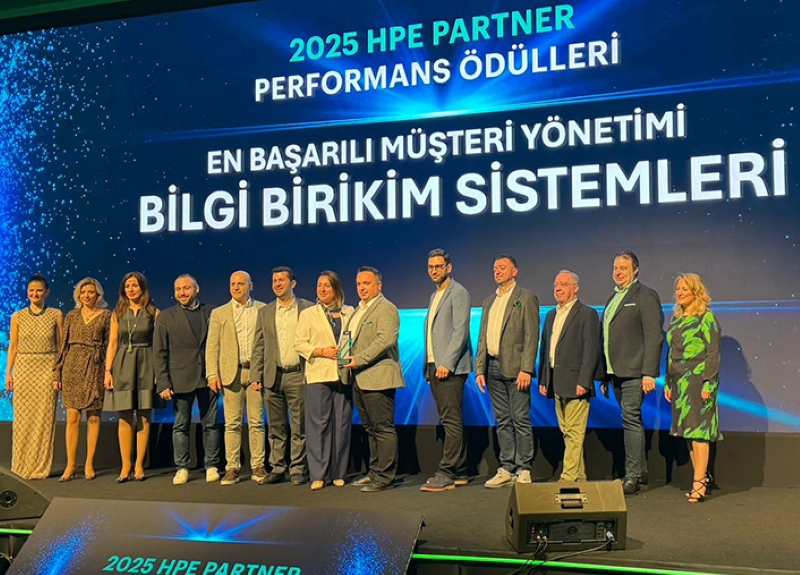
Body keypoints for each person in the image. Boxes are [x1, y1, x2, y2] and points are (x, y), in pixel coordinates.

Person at [599, 250, 664, 495]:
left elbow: (654, 336)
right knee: (631, 419)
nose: (618, 272)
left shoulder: (645, 295)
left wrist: (649, 373)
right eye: (615, 267)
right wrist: (604, 374)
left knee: (630, 419)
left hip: (635, 372)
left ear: (635, 270)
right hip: (615, 372)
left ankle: (632, 476)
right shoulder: (612, 298)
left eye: (623, 268)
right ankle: (641, 472)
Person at [475, 255, 539, 488]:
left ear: (515, 271)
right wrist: (479, 369)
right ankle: (507, 467)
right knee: (502, 420)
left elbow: (532, 336)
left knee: (520, 419)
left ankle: (524, 468)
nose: (497, 271)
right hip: (492, 367)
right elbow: (482, 337)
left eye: (502, 267)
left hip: (516, 369)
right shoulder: (489, 301)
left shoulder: (526, 297)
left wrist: (526, 369)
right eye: (495, 268)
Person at [342, 266, 405, 493]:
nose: (362, 288)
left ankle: (385, 476)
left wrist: (358, 359)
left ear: (379, 285)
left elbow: (385, 340)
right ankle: (375, 471)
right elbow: (349, 340)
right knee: (370, 429)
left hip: (378, 377)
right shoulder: (357, 311)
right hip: (359, 378)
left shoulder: (386, 308)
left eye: (366, 283)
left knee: (383, 428)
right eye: (359, 284)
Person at [154, 274, 220, 485]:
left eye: (186, 288)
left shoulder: (212, 312)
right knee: (181, 425)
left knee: (211, 424)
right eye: (178, 289)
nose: (182, 292)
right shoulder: (166, 316)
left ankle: (211, 465)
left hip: (208, 377)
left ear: (196, 289)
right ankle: (182, 467)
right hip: (180, 378)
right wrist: (163, 382)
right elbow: (159, 352)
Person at [251, 267, 313, 485]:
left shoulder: (307, 309)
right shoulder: (265, 312)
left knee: (299, 427)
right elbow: (258, 346)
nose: (277, 284)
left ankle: (298, 469)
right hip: (272, 376)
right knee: (276, 427)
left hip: (298, 375)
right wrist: (255, 376)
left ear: (292, 284)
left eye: (281, 280)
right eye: (274, 280)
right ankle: (277, 467)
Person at [294, 271, 354, 491]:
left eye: (327, 286)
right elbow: (299, 343)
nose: (322, 289)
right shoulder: (308, 314)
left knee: (342, 424)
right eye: (319, 285)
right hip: (319, 374)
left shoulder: (350, 312)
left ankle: (339, 472)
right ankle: (319, 474)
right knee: (318, 426)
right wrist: (321, 351)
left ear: (336, 289)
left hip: (343, 375)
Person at [206, 271, 267, 485]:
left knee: (257, 422)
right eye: (233, 283)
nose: (236, 287)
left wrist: (264, 372)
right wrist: (212, 373)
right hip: (230, 374)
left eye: (241, 283)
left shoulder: (262, 309)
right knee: (231, 424)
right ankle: (232, 467)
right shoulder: (219, 313)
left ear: (251, 285)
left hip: (255, 373)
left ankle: (258, 466)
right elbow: (212, 346)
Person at [538, 271, 600, 482]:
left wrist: (584, 380)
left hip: (576, 383)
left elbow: (591, 350)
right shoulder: (551, 315)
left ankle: (568, 477)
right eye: (556, 284)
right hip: (556, 381)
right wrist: (544, 379)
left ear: (576, 288)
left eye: (564, 284)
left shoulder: (587, 314)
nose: (558, 288)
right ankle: (579, 477)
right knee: (568, 432)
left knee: (574, 432)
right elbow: (546, 349)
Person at [665, 273, 722, 503]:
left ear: (696, 292)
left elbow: (713, 353)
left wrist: (709, 382)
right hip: (680, 383)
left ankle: (699, 482)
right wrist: (669, 382)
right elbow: (671, 353)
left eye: (685, 289)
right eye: (678, 289)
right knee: (689, 433)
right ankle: (700, 478)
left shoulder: (706, 318)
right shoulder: (677, 320)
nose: (680, 293)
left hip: (700, 382)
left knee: (700, 432)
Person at [419, 249, 472, 492]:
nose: (434, 271)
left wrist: (447, 364)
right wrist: (430, 365)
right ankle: (460, 470)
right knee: (449, 419)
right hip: (434, 366)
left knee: (451, 420)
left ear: (448, 268)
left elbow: (460, 332)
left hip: (448, 368)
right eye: (430, 267)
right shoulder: (435, 295)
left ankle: (447, 472)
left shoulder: (458, 292)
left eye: (438, 266)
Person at [103, 272, 160, 483]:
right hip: (123, 365)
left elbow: (159, 344)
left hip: (146, 364)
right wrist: (108, 371)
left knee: (144, 417)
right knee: (125, 417)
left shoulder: (154, 312)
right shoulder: (117, 312)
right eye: (127, 286)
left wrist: (158, 372)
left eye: (134, 285)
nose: (131, 289)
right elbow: (113, 343)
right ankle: (126, 465)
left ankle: (139, 465)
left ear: (142, 288)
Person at [53, 277, 112, 481]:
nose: (87, 295)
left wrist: (108, 371)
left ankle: (89, 463)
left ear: (98, 295)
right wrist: (57, 372)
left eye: (91, 292)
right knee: (72, 417)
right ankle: (71, 464)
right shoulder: (72, 315)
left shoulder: (106, 316)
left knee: (94, 417)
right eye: (84, 292)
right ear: (78, 295)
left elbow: (110, 345)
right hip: (72, 366)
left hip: (96, 366)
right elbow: (63, 346)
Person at [5, 274, 62, 479]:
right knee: (22, 420)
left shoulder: (56, 314)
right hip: (24, 368)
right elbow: (13, 346)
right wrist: (8, 373)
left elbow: (60, 346)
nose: (35, 294)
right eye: (32, 290)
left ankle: (40, 468)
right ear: (27, 292)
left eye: (39, 290)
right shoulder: (17, 316)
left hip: (47, 368)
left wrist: (58, 373)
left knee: (44, 420)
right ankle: (20, 466)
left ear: (46, 292)